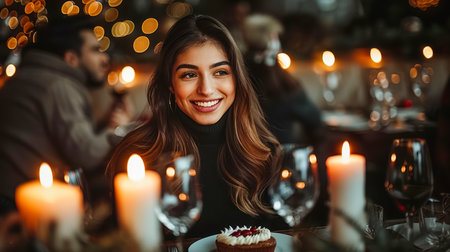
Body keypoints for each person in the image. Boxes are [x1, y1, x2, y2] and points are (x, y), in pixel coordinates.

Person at [107, 14, 288, 238]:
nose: (206, 89)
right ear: (170, 84)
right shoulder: (138, 156)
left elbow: (284, 238)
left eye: (220, 72)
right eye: (189, 75)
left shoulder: (265, 150)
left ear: (237, 79)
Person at [0, 15, 132, 213]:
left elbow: (63, 138)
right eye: (96, 51)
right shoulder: (57, 86)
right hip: (23, 210)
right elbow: (85, 154)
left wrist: (105, 123)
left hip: (16, 195)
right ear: (71, 58)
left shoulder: (29, 76)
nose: (105, 59)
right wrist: (118, 130)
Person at [243, 14, 324, 145]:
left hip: (242, 159)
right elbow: (314, 119)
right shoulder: (283, 85)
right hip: (279, 158)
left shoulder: (235, 75)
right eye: (276, 36)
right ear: (272, 41)